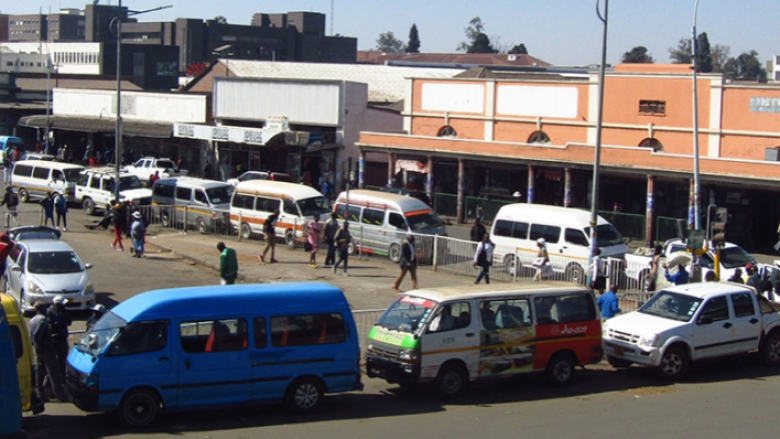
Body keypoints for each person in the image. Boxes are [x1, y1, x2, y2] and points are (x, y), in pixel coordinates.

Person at [29, 301, 68, 402]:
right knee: (54, 373)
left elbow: (32, 336)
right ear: (42, 309)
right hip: (46, 351)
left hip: (39, 351)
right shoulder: (42, 320)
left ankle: (40, 395)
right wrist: (40, 348)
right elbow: (37, 335)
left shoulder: (32, 320)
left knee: (40, 373)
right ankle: (60, 396)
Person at [48, 295, 72, 379]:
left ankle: (63, 378)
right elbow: (50, 324)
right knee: (53, 361)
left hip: (63, 339)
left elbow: (69, 322)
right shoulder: (50, 312)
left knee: (63, 360)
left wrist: (61, 323)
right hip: (54, 340)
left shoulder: (65, 311)